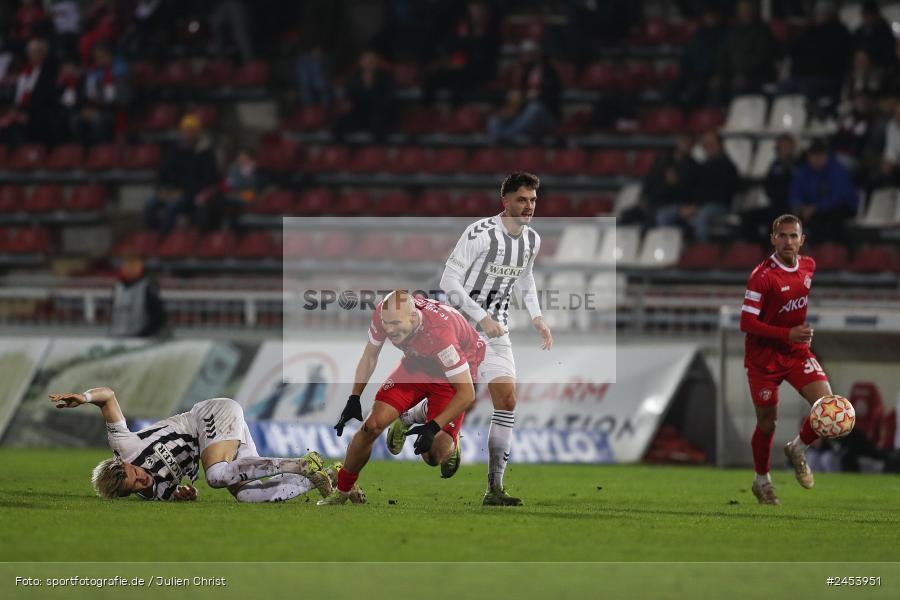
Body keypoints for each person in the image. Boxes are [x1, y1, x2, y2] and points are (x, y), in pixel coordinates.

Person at [414, 171, 551, 506]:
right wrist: (481, 317)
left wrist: (537, 317)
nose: (528, 206)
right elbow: (448, 281)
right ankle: (410, 416)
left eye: (533, 200)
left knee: (507, 401)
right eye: (522, 199)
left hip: (496, 331)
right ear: (505, 201)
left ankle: (494, 489)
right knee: (435, 453)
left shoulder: (532, 240)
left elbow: (525, 278)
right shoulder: (480, 233)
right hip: (458, 329)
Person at [320, 290, 486, 505]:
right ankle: (342, 490)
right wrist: (354, 398)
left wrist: (433, 427)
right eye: (386, 323)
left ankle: (442, 434)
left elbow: (466, 394)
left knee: (433, 456)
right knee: (371, 426)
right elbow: (370, 356)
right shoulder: (384, 313)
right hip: (416, 365)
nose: (389, 329)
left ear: (413, 317)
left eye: (395, 324)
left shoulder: (441, 336)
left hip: (451, 376)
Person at [50, 388, 336, 503]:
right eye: (135, 486)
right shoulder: (156, 494)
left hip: (209, 416)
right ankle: (325, 479)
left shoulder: (124, 446)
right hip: (218, 444)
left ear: (122, 462)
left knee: (217, 475)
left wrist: (84, 398)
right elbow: (182, 493)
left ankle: (301, 464)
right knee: (247, 496)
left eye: (133, 473)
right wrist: (185, 494)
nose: (141, 478)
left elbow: (108, 397)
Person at [740, 214, 835, 505]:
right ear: (773, 239)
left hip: (795, 353)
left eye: (793, 236)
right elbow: (746, 322)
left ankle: (798, 447)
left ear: (802, 240)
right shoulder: (762, 276)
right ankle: (761, 481)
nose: (788, 241)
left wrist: (795, 336)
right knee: (767, 424)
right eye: (782, 235)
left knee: (828, 409)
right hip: (763, 359)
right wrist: (787, 333)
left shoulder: (809, 266)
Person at [143, 113, 219, 235]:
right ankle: (150, 236)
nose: (188, 134)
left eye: (191, 131)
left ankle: (162, 239)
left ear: (198, 132)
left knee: (173, 207)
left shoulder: (205, 153)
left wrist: (183, 192)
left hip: (191, 195)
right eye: (185, 130)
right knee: (150, 204)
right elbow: (163, 173)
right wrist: (162, 190)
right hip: (170, 192)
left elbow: (209, 181)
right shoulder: (174, 150)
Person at [657, 130, 739, 241]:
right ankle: (672, 246)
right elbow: (693, 189)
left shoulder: (727, 166)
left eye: (711, 144)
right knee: (665, 214)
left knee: (703, 216)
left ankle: (701, 251)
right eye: (706, 145)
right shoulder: (702, 166)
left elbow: (722, 193)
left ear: (720, 145)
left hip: (718, 205)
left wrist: (697, 206)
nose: (708, 147)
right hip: (697, 205)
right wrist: (687, 206)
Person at [788, 140, 858, 242]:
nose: (816, 159)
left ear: (826, 156)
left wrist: (816, 208)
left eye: (820, 155)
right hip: (813, 208)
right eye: (813, 155)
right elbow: (794, 193)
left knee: (827, 220)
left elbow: (838, 197)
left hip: (842, 207)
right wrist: (800, 207)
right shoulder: (804, 171)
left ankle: (831, 250)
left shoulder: (836, 170)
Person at [109, 254, 166, 338]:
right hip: (118, 337)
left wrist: (143, 335)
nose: (130, 268)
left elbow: (158, 317)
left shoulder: (147, 287)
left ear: (140, 266)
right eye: (127, 264)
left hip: (141, 340)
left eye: (133, 265)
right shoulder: (117, 287)